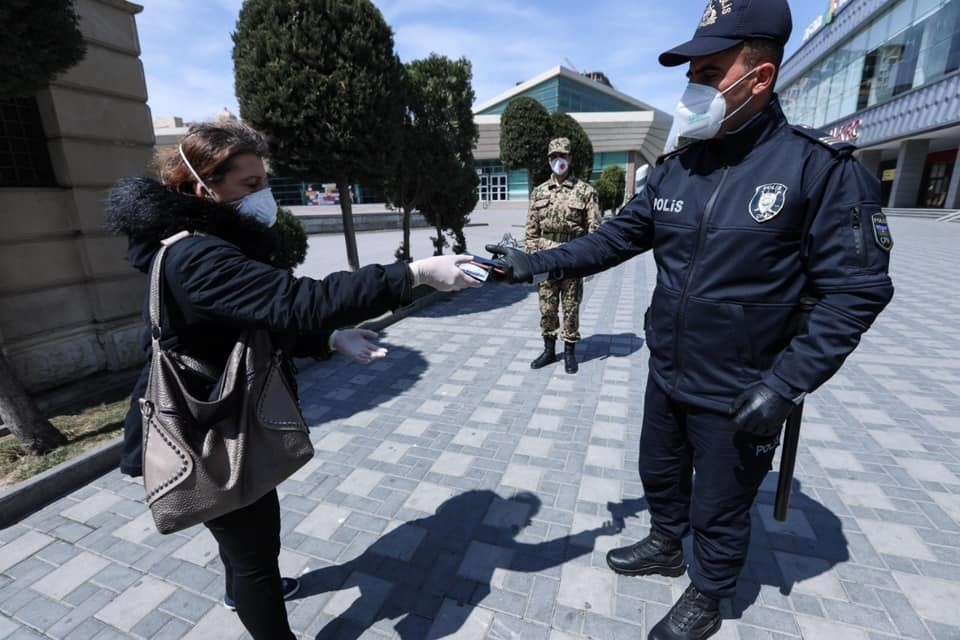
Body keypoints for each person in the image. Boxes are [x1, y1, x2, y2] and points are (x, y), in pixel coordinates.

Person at [486, 1, 894, 638]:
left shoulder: (819, 169)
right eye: (691, 74)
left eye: (707, 74)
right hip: (670, 369)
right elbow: (616, 238)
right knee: (661, 471)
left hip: (745, 385)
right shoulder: (680, 167)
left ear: (758, 79)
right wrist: (535, 264)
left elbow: (857, 293)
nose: (691, 89)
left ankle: (710, 590)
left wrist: (786, 385)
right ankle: (665, 542)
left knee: (723, 503)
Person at [106, 121, 481, 640]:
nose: (263, 200)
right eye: (250, 185)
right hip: (214, 430)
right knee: (257, 553)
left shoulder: (200, 243)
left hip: (224, 418)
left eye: (265, 183)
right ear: (203, 187)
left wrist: (328, 341)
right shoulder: (196, 254)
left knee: (245, 542)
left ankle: (242, 590)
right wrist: (412, 274)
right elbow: (300, 300)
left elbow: (252, 322)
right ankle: (255, 604)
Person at [524, 137, 601, 374]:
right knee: (547, 307)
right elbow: (530, 230)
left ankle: (569, 353)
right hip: (545, 258)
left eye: (563, 155)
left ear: (571, 158)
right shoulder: (538, 192)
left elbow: (595, 230)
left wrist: (588, 263)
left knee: (570, 306)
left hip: (573, 257)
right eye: (553, 156)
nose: (558, 160)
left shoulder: (586, 191)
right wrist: (532, 261)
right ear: (548, 160)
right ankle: (549, 350)